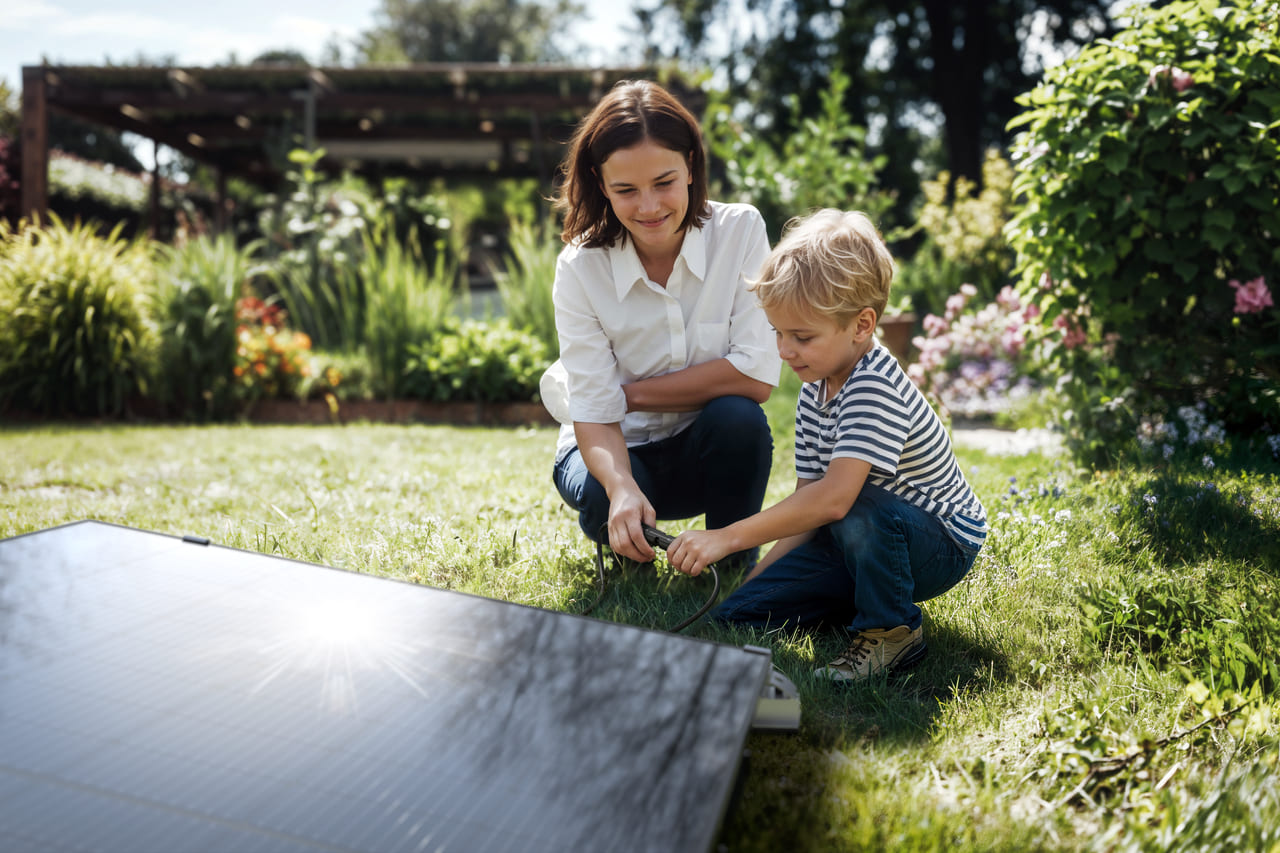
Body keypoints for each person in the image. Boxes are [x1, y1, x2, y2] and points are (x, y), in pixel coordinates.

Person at [665, 209, 987, 682]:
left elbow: (832, 500)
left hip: (939, 542)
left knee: (857, 505)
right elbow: (807, 506)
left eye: (802, 336)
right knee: (739, 615)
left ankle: (890, 631)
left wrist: (726, 537)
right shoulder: (816, 386)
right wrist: (753, 584)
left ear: (861, 325)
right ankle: (856, 598)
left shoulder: (873, 385)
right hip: (854, 536)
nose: (784, 350)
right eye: (778, 332)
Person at [542, 79, 781, 566]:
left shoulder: (740, 231)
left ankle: (730, 558)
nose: (649, 207)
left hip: (705, 451)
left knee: (738, 420)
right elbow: (594, 416)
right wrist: (621, 487)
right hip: (614, 452)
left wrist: (622, 395)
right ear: (601, 183)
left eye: (664, 182)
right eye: (626, 190)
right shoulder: (580, 267)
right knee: (601, 494)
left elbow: (755, 376)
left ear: (690, 166)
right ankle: (628, 538)